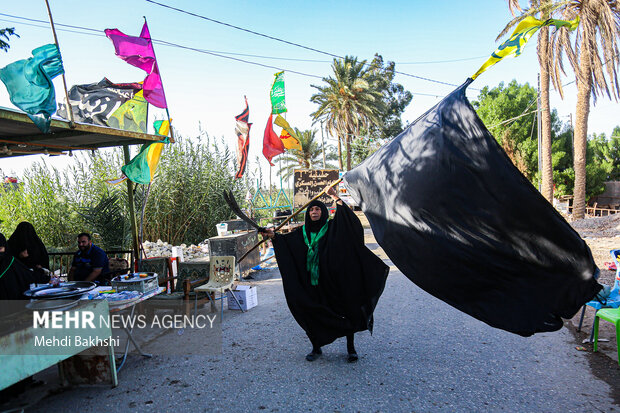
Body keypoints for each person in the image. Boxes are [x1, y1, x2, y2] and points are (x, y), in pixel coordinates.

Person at [261, 185, 389, 363]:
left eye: (317, 209)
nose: (314, 212)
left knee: (346, 310)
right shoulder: (301, 233)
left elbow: (350, 223)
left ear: (323, 211)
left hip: (333, 281)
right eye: (311, 209)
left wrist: (335, 197)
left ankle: (351, 348)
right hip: (312, 283)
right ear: (307, 213)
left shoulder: (332, 228)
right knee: (311, 312)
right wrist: (273, 237)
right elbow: (286, 243)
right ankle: (316, 347)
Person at [0, 232, 50, 300]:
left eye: (0, 248)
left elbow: (28, 275)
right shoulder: (10, 262)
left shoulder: (11, 262)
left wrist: (47, 277)